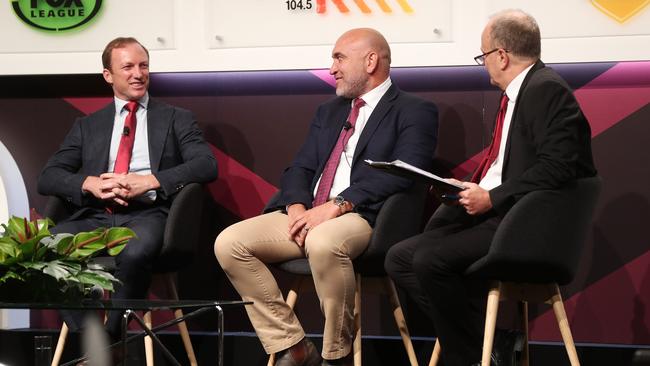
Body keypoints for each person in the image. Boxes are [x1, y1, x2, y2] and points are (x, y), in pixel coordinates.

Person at [385, 9, 597, 366]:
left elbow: (559, 167)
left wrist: (492, 197)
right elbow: (509, 168)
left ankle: (470, 356)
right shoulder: (520, 94)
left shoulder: (547, 91)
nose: (483, 65)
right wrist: (468, 188)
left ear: (501, 55)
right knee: (399, 258)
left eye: (483, 56)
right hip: (502, 213)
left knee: (429, 259)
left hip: (524, 224)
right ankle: (490, 343)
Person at [214, 28, 438, 366]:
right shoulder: (329, 111)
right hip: (311, 212)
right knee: (229, 243)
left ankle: (336, 354)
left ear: (371, 61)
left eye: (339, 58)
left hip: (362, 215)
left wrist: (337, 206)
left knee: (322, 242)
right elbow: (300, 167)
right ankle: (293, 345)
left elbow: (406, 171)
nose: (332, 68)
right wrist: (296, 207)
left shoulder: (413, 110)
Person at [37, 37, 217, 342]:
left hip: (148, 215)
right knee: (46, 248)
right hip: (95, 216)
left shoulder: (176, 118)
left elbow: (205, 165)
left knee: (133, 252)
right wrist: (90, 183)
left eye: (143, 65)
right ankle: (94, 342)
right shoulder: (87, 126)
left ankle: (112, 339)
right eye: (128, 67)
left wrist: (151, 181)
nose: (138, 73)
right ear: (108, 75)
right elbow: (48, 176)